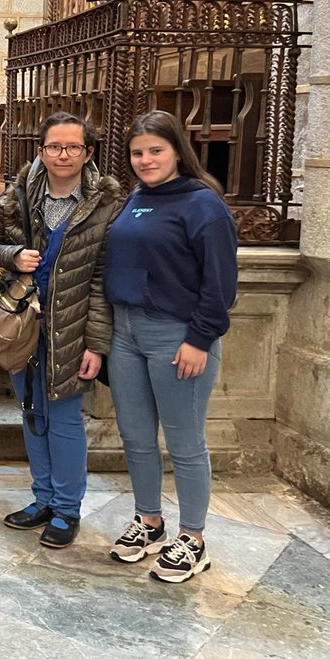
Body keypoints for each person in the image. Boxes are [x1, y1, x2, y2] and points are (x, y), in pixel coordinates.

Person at [0, 112, 121, 548]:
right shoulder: (16, 199)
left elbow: (101, 281)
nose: (63, 155)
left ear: (87, 153)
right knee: (31, 413)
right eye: (54, 146)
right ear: (40, 151)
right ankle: (43, 497)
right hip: (22, 325)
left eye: (73, 147)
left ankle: (67, 508)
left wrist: (97, 343)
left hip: (72, 326)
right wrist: (13, 254)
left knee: (64, 418)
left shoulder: (105, 207)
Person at [104, 110, 237, 583]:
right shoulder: (137, 197)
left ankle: (194, 537)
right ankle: (149, 519)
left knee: (183, 442)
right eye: (138, 153)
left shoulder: (204, 205)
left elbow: (220, 283)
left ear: (178, 150)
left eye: (155, 151)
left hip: (177, 334)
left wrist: (200, 339)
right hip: (126, 332)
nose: (145, 160)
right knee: (137, 437)